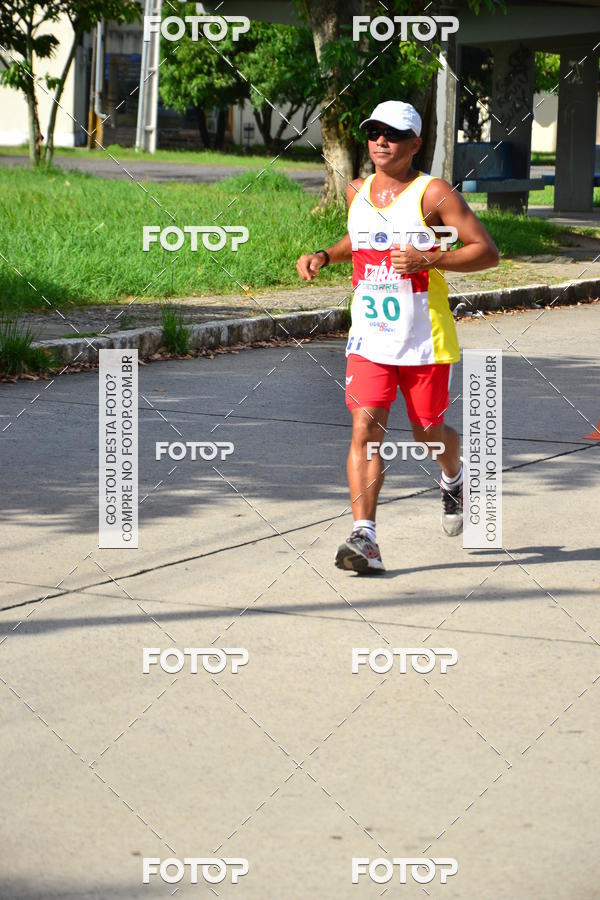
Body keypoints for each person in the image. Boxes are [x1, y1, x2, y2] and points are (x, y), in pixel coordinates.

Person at [296, 100, 499, 573]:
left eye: (393, 133)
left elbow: (486, 251)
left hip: (423, 336)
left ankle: (454, 476)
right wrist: (325, 255)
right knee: (365, 429)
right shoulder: (357, 190)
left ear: (415, 143)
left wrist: (431, 259)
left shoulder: (433, 194)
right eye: (374, 132)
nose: (381, 141)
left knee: (427, 432)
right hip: (370, 337)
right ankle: (364, 536)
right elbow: (360, 239)